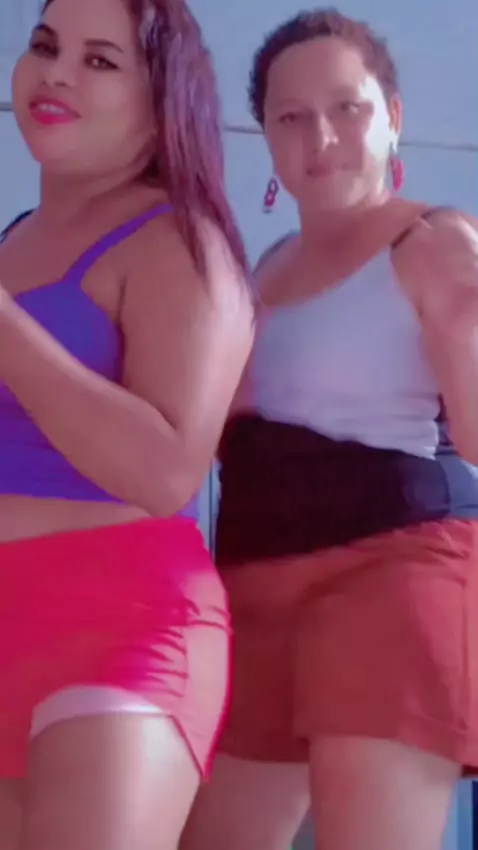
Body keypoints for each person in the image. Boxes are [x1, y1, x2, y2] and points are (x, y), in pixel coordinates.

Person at [181, 8, 478, 850]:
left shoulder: (435, 243)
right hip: (251, 589)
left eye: (348, 107)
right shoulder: (261, 271)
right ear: (268, 140)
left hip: (391, 573)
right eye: (292, 116)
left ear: (393, 116)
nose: (322, 137)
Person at [0, 0, 254, 847]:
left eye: (101, 60)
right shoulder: (11, 241)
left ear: (159, 101)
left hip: (121, 622)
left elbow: (166, 472)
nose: (58, 72)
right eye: (46, 46)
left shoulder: (180, 241)